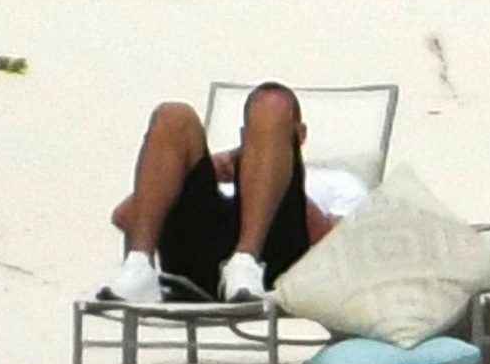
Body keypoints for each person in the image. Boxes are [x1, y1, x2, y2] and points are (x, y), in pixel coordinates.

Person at [98, 81, 338, 303]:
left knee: (272, 104)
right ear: (245, 136)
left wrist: (271, 187)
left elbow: (337, 244)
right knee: (173, 116)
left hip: (272, 253)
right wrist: (211, 167)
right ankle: (139, 265)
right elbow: (124, 216)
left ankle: (246, 262)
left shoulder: (330, 178)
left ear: (300, 133)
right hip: (199, 251)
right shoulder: (223, 165)